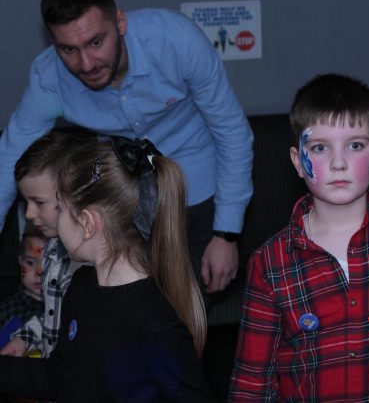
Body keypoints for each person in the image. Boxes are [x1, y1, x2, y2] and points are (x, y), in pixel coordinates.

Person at [0, 0, 254, 295]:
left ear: (120, 22)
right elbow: (9, 160)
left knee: (187, 307)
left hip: (199, 193)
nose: (86, 63)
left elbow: (231, 132)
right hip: (123, 202)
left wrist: (227, 234)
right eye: (68, 49)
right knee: (125, 305)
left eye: (96, 42)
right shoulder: (50, 79)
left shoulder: (177, 41)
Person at [228, 74, 369, 402]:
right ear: (298, 162)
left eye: (355, 146)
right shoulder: (270, 263)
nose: (338, 163)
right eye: (320, 148)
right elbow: (252, 386)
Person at [0, 137, 215, 401]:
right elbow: (60, 377)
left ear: (87, 223)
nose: (58, 218)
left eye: (61, 208)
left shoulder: (155, 323)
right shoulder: (81, 285)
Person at [1, 129, 92, 359]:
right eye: (26, 202)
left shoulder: (91, 264)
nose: (29, 214)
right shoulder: (52, 248)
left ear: (75, 196)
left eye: (39, 202)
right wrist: (24, 338)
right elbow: (54, 317)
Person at [0, 226, 45, 331]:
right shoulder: (6, 311)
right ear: (20, 262)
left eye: (46, 263)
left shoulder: (64, 308)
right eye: (30, 263)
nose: (38, 272)